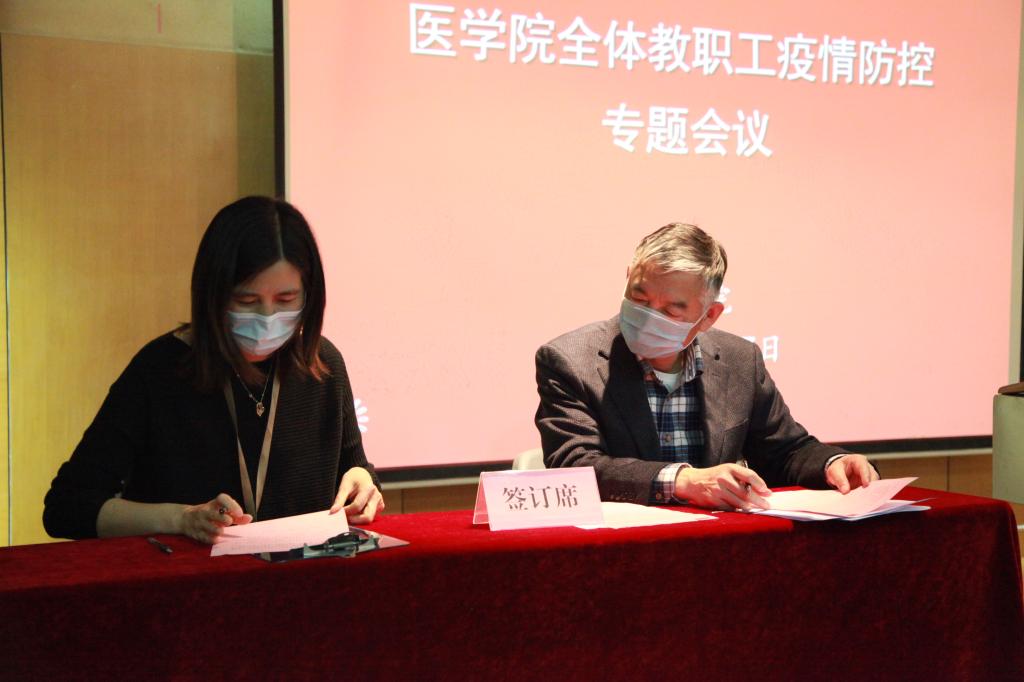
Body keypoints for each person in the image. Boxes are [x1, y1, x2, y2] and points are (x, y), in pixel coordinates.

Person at [43, 196, 383, 543]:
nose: (267, 317)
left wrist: (363, 484)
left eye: (285, 300)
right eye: (247, 301)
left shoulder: (322, 365)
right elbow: (67, 507)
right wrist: (181, 519)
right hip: (189, 576)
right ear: (213, 294)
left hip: (302, 574)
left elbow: (355, 471)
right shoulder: (160, 370)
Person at [534, 223, 877, 510]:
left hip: (716, 545)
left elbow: (783, 451)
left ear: (709, 315)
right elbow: (575, 466)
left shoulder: (739, 359)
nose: (648, 316)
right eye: (639, 298)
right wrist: (682, 480)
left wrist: (832, 464)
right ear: (627, 278)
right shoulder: (569, 360)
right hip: (622, 548)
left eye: (671, 310)